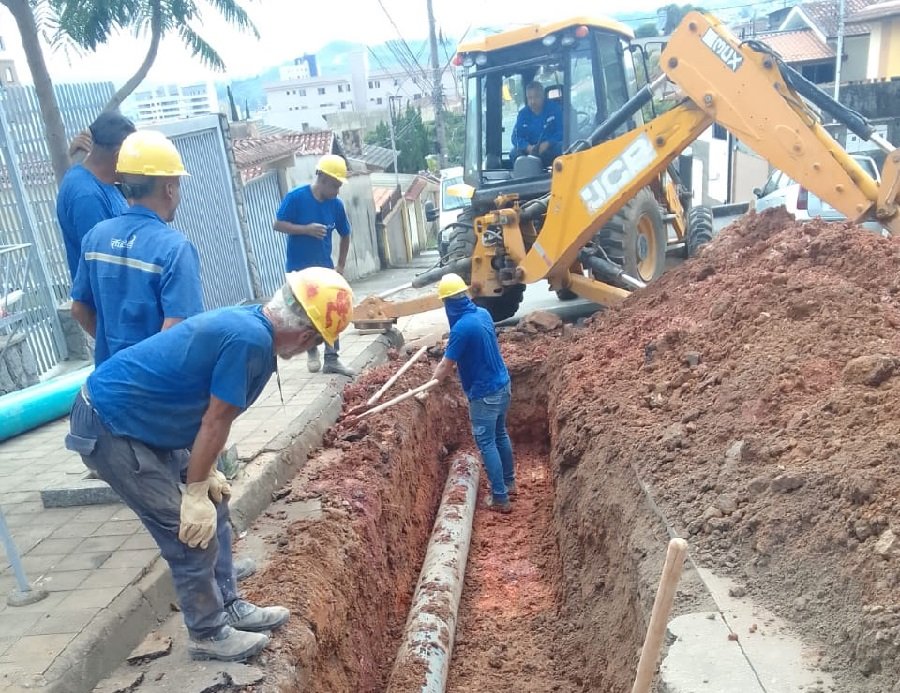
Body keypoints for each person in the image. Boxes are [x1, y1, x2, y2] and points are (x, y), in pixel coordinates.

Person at [64, 267, 355, 662]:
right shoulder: (250, 341)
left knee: (212, 508)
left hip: (145, 418)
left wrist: (206, 476)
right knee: (187, 531)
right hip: (112, 424)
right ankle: (207, 632)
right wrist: (194, 487)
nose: (308, 349)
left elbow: (206, 409)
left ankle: (229, 603)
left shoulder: (253, 328)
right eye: (314, 343)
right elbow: (215, 419)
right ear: (306, 336)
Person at [70, 131, 204, 366]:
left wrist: (118, 356)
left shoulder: (96, 237)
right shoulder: (175, 249)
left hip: (109, 381)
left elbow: (79, 309)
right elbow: (177, 332)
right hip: (154, 390)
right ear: (169, 189)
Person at [431, 274, 516, 513]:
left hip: (484, 394)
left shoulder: (460, 328)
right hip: (503, 385)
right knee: (500, 434)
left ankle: (500, 497)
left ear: (448, 302)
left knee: (487, 443)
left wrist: (432, 384)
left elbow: (446, 365)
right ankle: (510, 483)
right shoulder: (483, 314)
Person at [273, 154, 355, 377]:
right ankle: (311, 351)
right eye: (335, 185)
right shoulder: (296, 198)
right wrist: (305, 229)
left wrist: (340, 265)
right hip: (299, 271)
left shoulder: (336, 205)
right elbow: (278, 224)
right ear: (322, 178)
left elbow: (345, 234)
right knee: (302, 312)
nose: (337, 191)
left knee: (332, 311)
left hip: (324, 270)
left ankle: (332, 358)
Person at [57, 112, 136, 280]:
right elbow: (104, 268)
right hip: (107, 303)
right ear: (118, 155)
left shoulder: (104, 182)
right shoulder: (87, 196)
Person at [510, 81, 563, 167]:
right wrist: (527, 147)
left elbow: (562, 131)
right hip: (530, 151)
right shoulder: (523, 114)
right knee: (514, 153)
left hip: (550, 149)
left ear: (543, 96)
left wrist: (548, 143)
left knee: (562, 148)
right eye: (530, 98)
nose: (533, 101)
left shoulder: (555, 109)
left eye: (536, 97)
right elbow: (515, 137)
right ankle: (524, 178)